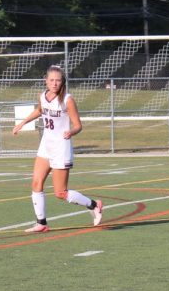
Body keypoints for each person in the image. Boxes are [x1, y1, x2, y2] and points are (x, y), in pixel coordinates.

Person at [11, 64, 103, 232]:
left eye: (58, 80)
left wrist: (71, 132)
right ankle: (41, 223)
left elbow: (78, 125)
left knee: (60, 193)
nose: (54, 83)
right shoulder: (43, 96)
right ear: (45, 81)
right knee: (36, 183)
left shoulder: (67, 100)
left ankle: (94, 205)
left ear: (62, 82)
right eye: (51, 80)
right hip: (46, 145)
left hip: (61, 147)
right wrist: (22, 123)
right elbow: (39, 110)